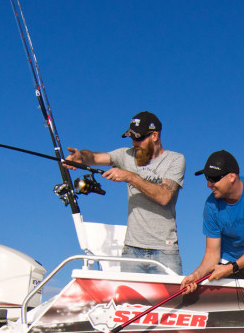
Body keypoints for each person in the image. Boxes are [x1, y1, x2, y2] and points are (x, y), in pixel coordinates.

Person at [63, 111, 184, 274]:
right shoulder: (125, 155)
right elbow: (95, 157)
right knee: (127, 300)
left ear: (155, 135)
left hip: (165, 251)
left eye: (139, 138)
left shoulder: (175, 160)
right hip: (131, 251)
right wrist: (81, 157)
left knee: (170, 301)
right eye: (132, 138)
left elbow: (164, 197)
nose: (135, 143)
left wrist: (130, 176)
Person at [181, 150, 244, 293]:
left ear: (232, 177)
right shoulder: (211, 206)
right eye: (207, 178)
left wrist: (232, 267)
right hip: (227, 263)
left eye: (213, 178)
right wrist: (196, 275)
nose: (208, 184)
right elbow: (211, 254)